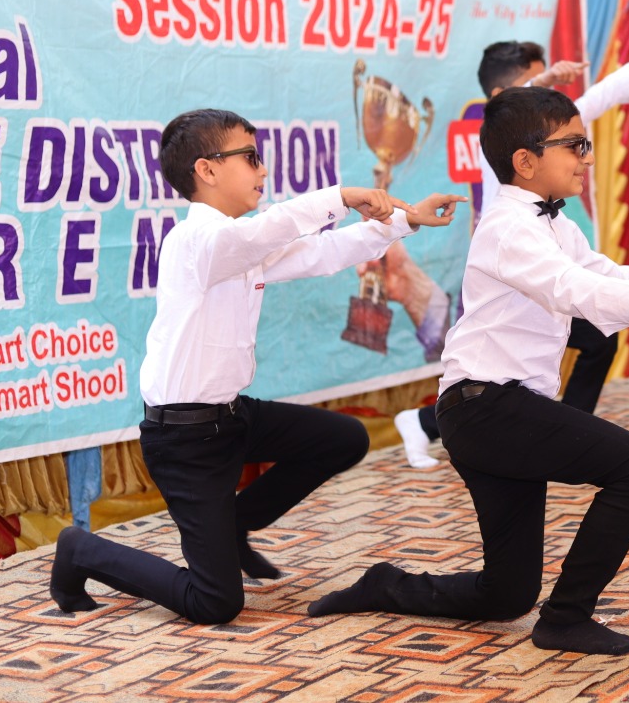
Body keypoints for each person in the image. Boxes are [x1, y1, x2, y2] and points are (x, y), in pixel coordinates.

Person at [310, 87, 629, 653]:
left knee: (506, 594)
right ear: (525, 161)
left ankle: (386, 584)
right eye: (575, 145)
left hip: (498, 409)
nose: (587, 158)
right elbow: (573, 288)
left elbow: (604, 273)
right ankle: (566, 618)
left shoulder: (553, 225)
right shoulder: (507, 227)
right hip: (485, 407)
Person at [48, 109, 464, 624]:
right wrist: (340, 196)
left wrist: (406, 220)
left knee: (344, 439)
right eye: (250, 157)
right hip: (183, 440)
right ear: (207, 170)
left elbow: (323, 251)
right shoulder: (198, 243)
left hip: (232, 418)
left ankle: (234, 524)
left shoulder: (237, 245)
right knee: (215, 603)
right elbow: (269, 231)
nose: (262, 169)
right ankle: (81, 550)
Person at [395, 35, 629, 468]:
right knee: (502, 370)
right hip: (518, 270)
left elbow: (596, 99)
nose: (583, 158)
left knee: (542, 364)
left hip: (536, 276)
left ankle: (435, 422)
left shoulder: (548, 181)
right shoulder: (508, 156)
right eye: (534, 85)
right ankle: (553, 432)